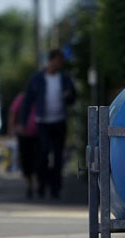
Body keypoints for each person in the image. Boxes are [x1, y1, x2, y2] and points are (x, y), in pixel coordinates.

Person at [21, 49, 76, 199]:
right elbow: (27, 101)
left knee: (58, 157)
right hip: (43, 122)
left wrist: (68, 96)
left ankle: (55, 188)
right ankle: (41, 185)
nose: (60, 64)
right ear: (51, 61)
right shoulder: (37, 78)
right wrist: (23, 122)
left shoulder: (64, 78)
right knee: (43, 155)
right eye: (57, 61)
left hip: (59, 121)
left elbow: (73, 98)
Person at [7, 91, 39, 198]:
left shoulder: (41, 97)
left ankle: (36, 183)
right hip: (23, 134)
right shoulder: (21, 98)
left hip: (39, 134)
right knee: (26, 160)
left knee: (39, 159)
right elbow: (13, 112)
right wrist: (11, 130)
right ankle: (30, 184)